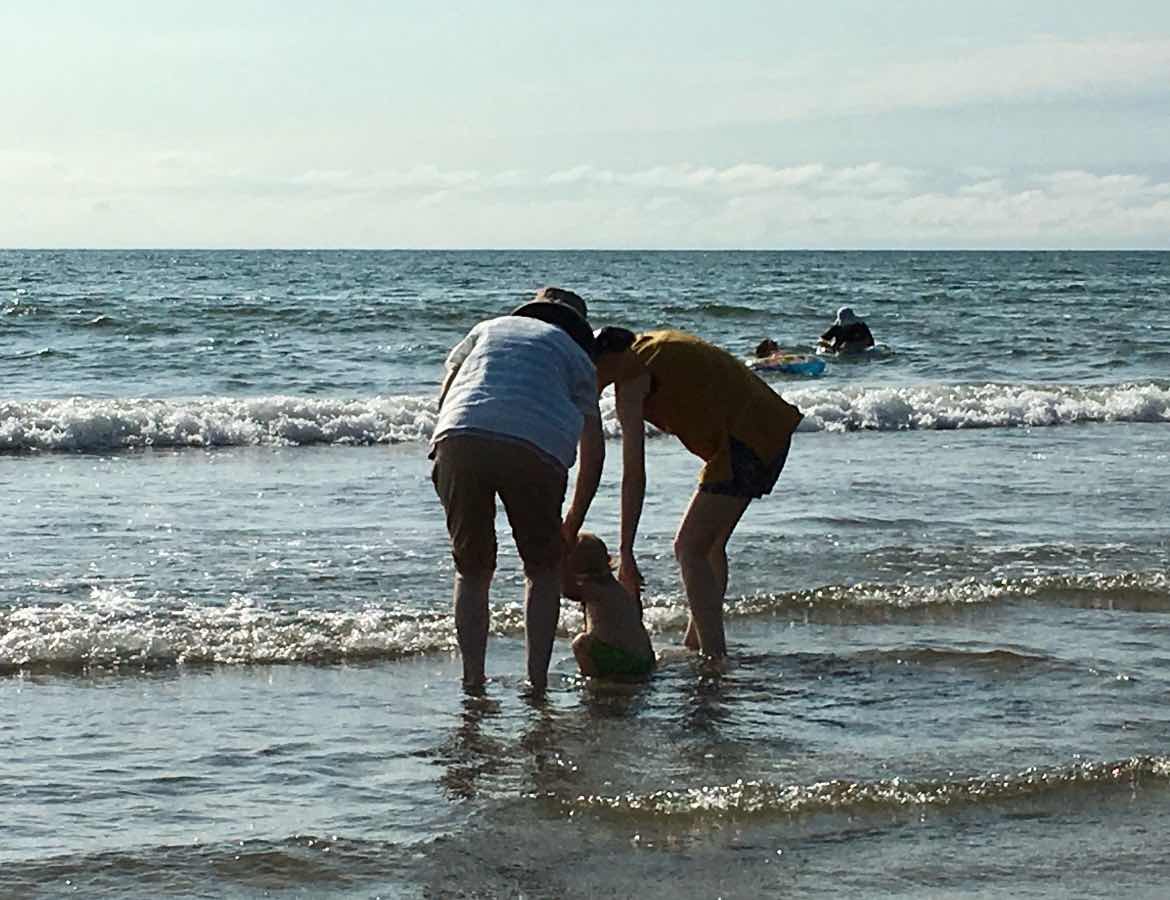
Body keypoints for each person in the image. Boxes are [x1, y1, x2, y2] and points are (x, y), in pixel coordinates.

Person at [431, 288, 604, 692]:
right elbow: (593, 449)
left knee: (472, 570)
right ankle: (536, 682)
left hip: (459, 436)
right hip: (535, 446)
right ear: (578, 329)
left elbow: (449, 390)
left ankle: (473, 680)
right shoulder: (576, 356)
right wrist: (572, 522)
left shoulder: (489, 329)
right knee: (541, 570)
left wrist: (439, 450)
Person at [593, 327, 802, 658]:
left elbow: (634, 472)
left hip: (745, 441)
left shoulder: (630, 374)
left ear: (607, 358)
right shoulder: (652, 345)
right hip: (770, 428)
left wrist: (626, 552)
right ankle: (697, 642)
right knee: (709, 546)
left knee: (688, 547)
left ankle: (714, 656)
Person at [565, 532, 654, 679]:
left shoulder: (595, 590)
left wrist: (556, 570)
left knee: (581, 643)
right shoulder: (618, 587)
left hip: (627, 663)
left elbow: (568, 591)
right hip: (646, 659)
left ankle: (595, 680)